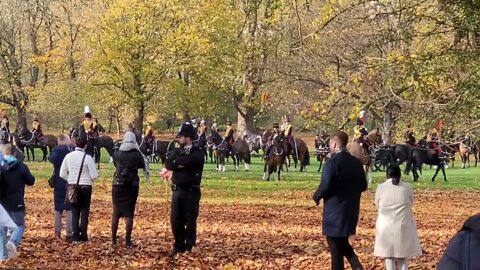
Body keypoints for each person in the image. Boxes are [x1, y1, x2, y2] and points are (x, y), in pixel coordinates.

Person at [313, 130, 367, 270]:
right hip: (351, 210)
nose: (330, 146)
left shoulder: (332, 163)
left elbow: (326, 185)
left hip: (334, 212)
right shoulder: (356, 163)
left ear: (335, 143)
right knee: (342, 244)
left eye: (331, 143)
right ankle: (357, 267)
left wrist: (317, 196)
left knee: (336, 248)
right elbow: (363, 185)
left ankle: (357, 267)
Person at [163, 122, 205, 257]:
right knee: (175, 220)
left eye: (181, 136)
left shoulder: (197, 152)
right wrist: (177, 164)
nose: (179, 139)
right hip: (177, 191)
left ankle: (189, 246)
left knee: (190, 220)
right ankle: (178, 245)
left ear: (188, 137)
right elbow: (168, 163)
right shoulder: (177, 151)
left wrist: (178, 164)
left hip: (191, 191)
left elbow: (189, 161)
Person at [374, 165, 422, 270]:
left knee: (389, 256)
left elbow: (377, 205)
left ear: (387, 175)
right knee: (402, 257)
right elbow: (411, 202)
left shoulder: (380, 187)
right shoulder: (407, 187)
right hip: (403, 224)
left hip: (385, 225)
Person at [111, 131, 150, 248]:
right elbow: (142, 165)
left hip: (117, 184)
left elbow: (115, 164)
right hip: (131, 185)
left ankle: (113, 239)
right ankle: (127, 240)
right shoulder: (137, 154)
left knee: (116, 212)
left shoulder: (117, 153)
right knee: (129, 213)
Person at [60, 136, 98, 243]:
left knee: (75, 211)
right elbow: (94, 175)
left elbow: (62, 173)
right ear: (85, 146)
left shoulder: (68, 156)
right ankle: (84, 237)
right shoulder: (88, 158)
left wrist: (71, 180)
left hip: (73, 187)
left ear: (76, 144)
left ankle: (75, 237)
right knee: (84, 212)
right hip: (86, 187)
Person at [0, 144, 35, 260]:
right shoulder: (21, 166)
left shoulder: (1, 166)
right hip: (16, 202)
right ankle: (13, 242)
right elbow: (31, 181)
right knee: (19, 225)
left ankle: (3, 256)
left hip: (2, 202)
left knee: (2, 230)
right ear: (15, 153)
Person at [48, 134, 73, 242]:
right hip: (68, 180)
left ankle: (57, 232)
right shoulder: (69, 152)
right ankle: (69, 232)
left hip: (58, 181)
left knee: (58, 209)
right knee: (69, 208)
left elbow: (51, 159)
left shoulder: (55, 152)